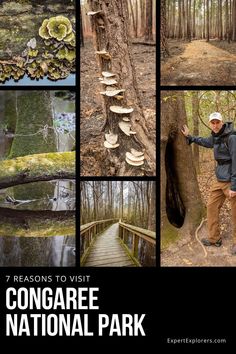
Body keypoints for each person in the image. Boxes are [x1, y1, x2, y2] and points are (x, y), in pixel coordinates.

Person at [181, 112, 236, 255]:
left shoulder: (231, 137)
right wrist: (190, 137)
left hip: (231, 179)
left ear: (222, 122)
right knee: (211, 207)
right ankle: (214, 239)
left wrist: (235, 186)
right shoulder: (216, 136)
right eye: (213, 122)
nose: (215, 125)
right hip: (220, 179)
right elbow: (206, 142)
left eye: (218, 122)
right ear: (210, 123)